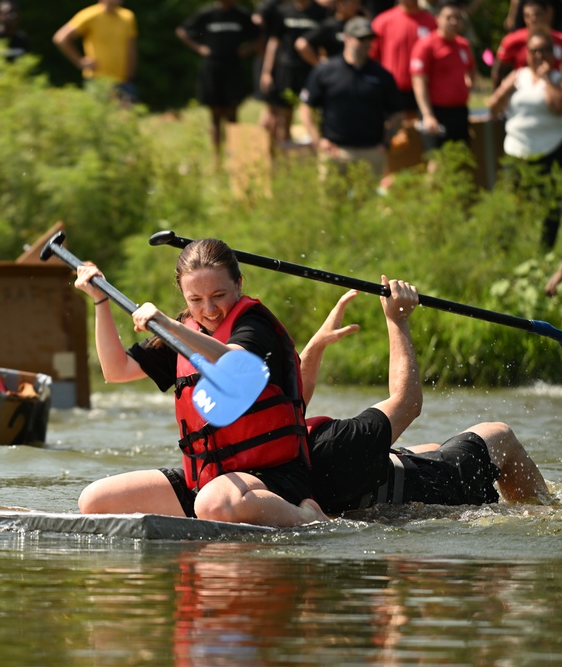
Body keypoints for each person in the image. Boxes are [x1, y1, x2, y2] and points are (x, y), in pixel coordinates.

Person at [72, 238, 329, 527]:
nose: (209, 310)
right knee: (94, 501)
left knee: (212, 503)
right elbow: (116, 369)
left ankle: (306, 517)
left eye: (219, 295)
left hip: (273, 479)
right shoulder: (186, 330)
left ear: (239, 284)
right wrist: (100, 300)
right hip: (209, 479)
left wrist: (171, 326)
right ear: (183, 295)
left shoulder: (256, 327)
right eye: (195, 300)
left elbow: (234, 364)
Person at [301, 287, 552, 514]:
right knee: (500, 434)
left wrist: (317, 344)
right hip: (432, 494)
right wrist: (397, 319)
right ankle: (544, 512)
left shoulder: (276, 449)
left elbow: (293, 399)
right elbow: (407, 402)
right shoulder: (335, 444)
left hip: (365, 486)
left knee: (428, 446)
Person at [299, 16, 404, 178]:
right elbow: (306, 107)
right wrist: (318, 140)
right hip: (336, 151)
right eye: (361, 39)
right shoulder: (326, 71)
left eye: (370, 39)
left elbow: (397, 113)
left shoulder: (382, 75)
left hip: (371, 151)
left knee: (367, 203)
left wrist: (386, 142)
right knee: (333, 203)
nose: (367, 43)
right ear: (346, 38)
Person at [489, 29, 562, 251]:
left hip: (549, 149)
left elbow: (558, 108)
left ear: (553, 53)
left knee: (550, 204)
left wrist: (547, 79)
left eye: (544, 50)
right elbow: (493, 108)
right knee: (510, 203)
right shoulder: (517, 76)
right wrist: (505, 90)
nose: (538, 55)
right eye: (534, 51)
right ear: (527, 53)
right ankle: (504, 250)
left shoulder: (558, 79)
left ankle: (544, 251)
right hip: (516, 150)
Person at [176, 0, 261, 166]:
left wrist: (247, 50)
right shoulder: (206, 14)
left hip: (233, 67)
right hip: (212, 68)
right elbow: (182, 31)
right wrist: (199, 48)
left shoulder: (241, 15)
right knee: (215, 115)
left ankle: (235, 156)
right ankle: (217, 159)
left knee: (232, 113)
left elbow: (259, 36)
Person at [410, 0, 475, 159]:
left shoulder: (463, 44)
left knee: (460, 158)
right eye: (449, 17)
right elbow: (418, 82)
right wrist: (428, 115)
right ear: (437, 18)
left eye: (457, 18)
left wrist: (468, 84)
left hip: (459, 111)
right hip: (437, 111)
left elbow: (471, 68)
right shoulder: (426, 45)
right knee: (437, 162)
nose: (454, 22)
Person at [259, 0, 329, 145]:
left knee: (315, 115)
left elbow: (325, 42)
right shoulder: (283, 11)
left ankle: (315, 155)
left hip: (311, 70)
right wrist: (266, 71)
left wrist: (324, 67)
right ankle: (284, 159)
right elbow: (274, 42)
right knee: (283, 116)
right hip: (286, 69)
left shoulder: (321, 12)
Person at [53, 0, 138, 103]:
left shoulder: (128, 17)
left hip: (123, 81)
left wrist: (129, 75)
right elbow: (60, 38)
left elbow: (131, 48)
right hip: (98, 80)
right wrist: (80, 61)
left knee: (128, 118)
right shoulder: (90, 15)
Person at [369, 0, 437, 114]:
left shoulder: (432, 22)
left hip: (427, 91)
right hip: (392, 91)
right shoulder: (382, 21)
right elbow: (372, 57)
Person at [493, 0, 562, 88]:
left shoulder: (559, 39)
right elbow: (498, 72)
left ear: (548, 13)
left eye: (537, 14)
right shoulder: (512, 40)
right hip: (523, 94)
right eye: (527, 16)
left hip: (554, 94)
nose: (532, 19)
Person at [296, 0, 366, 66]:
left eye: (358, 3)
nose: (356, 6)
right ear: (340, 3)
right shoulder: (330, 25)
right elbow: (301, 43)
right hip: (336, 72)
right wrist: (319, 65)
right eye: (353, 3)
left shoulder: (360, 23)